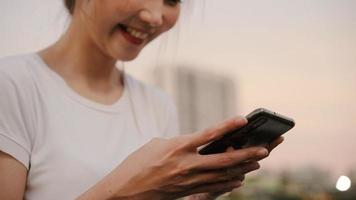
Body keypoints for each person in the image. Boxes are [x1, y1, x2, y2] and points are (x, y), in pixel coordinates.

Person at [0, 0, 284, 199]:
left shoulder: (158, 104)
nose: (155, 16)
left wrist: (195, 192)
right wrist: (130, 192)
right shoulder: (11, 84)